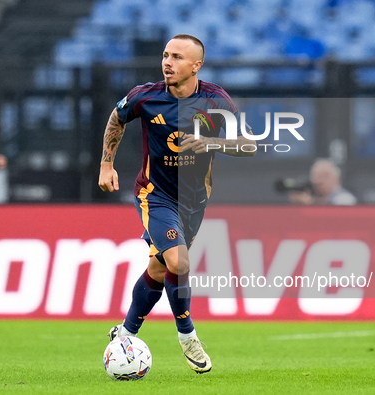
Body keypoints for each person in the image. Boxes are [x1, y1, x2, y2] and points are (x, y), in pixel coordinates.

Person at [98, 34, 254, 374]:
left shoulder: (215, 100)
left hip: (194, 201)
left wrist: (211, 142)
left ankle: (124, 334)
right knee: (179, 262)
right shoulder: (147, 96)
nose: (168, 62)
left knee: (160, 269)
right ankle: (187, 336)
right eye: (166, 55)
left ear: (196, 66)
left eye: (178, 57)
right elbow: (116, 118)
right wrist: (106, 164)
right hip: (156, 195)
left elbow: (249, 145)